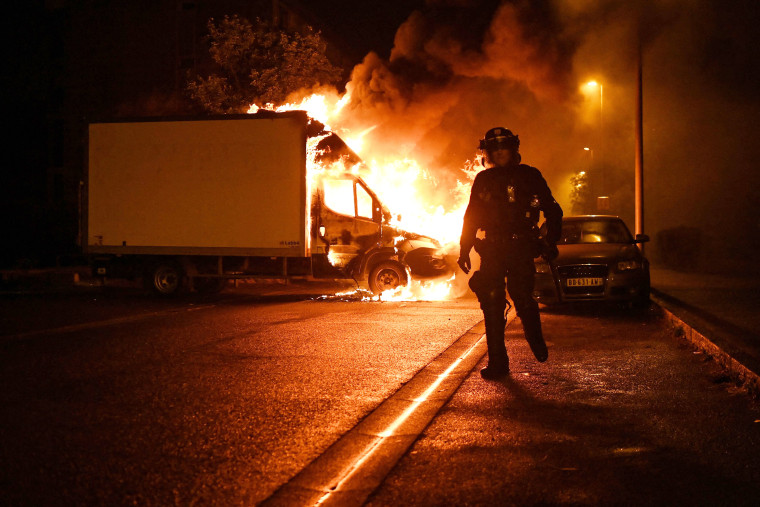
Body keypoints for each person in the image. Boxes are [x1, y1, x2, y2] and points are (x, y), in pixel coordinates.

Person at [458, 127, 563, 380]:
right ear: (489, 153)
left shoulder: (530, 176)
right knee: (491, 304)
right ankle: (498, 363)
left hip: (521, 248)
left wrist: (549, 241)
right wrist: (464, 248)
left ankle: (535, 340)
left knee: (522, 297)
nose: (500, 152)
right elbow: (471, 217)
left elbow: (553, 210)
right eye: (495, 148)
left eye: (504, 147)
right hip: (493, 248)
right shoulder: (483, 180)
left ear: (514, 150)